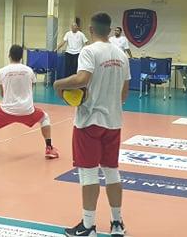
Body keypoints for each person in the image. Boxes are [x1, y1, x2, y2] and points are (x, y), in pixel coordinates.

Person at [53, 13, 130, 237]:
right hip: (114, 122)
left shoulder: (89, 51)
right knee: (112, 172)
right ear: (109, 30)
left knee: (88, 174)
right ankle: (117, 223)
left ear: (90, 29)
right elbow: (124, 93)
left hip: (89, 122)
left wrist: (59, 83)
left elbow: (82, 79)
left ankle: (88, 226)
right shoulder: (121, 55)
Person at [0, 44, 59, 160]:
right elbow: (30, 89)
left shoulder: (2, 71)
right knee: (45, 117)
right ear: (21, 57)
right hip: (27, 110)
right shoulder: (29, 71)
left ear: (9, 56)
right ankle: (49, 148)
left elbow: (2, 93)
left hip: (6, 111)